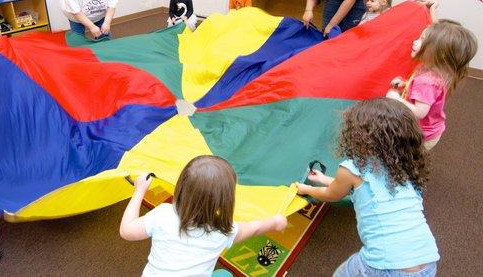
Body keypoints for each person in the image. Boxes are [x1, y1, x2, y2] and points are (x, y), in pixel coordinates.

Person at [296, 98, 439, 276]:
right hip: (427, 261)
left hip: (385, 266)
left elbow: (332, 194)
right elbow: (367, 188)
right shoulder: (405, 166)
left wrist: (306, 189)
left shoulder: (352, 168)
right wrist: (325, 179)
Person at [120, 155, 287, 277]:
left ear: (181, 186)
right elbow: (255, 228)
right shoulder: (224, 230)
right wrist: (275, 222)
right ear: (225, 200)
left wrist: (139, 191)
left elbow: (127, 231)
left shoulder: (163, 214)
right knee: (224, 276)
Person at [386, 16, 477, 150]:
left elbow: (420, 112)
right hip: (426, 129)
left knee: (407, 159)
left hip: (422, 134)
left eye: (422, 40)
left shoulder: (427, 81)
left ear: (439, 53)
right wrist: (405, 84)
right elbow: (426, 93)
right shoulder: (431, 67)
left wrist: (396, 98)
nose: (415, 42)